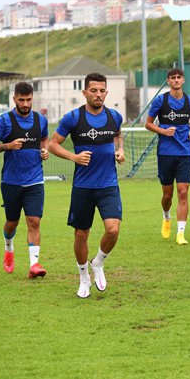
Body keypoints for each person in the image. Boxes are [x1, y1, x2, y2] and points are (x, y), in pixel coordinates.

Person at [48, 73, 125, 298]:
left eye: (102, 90)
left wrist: (119, 150)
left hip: (108, 184)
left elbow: (118, 136)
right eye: (94, 90)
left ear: (106, 92)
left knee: (113, 230)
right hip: (83, 186)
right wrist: (74, 157)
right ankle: (83, 277)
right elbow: (53, 145)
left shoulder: (115, 116)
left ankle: (98, 262)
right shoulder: (73, 118)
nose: (98, 94)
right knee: (81, 234)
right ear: (85, 93)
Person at [0, 82, 49, 279]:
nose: (25, 103)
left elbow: (44, 139)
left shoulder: (41, 120)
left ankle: (34, 265)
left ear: (32, 98)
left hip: (35, 180)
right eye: (21, 100)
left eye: (28, 100)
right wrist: (8, 146)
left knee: (34, 220)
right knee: (12, 222)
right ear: (14, 99)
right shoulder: (4, 121)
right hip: (11, 182)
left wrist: (44, 150)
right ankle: (9, 248)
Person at [145, 68, 190, 245]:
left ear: (183, 80)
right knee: (167, 195)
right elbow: (148, 124)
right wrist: (163, 131)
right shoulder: (161, 100)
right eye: (173, 78)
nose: (176, 80)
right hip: (165, 152)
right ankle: (166, 217)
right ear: (168, 81)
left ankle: (181, 233)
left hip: (184, 152)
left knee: (183, 193)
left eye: (179, 77)